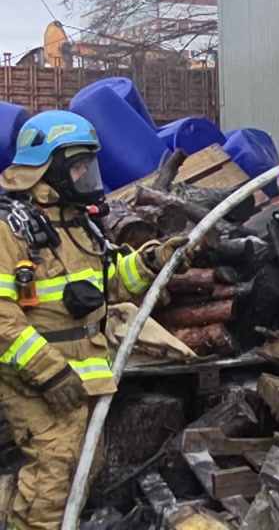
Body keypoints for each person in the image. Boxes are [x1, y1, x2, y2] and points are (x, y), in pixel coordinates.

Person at [0, 110, 186, 530]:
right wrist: (48, 372)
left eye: (89, 164)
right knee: (52, 478)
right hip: (37, 380)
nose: (87, 174)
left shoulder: (81, 225)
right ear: (48, 168)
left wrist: (153, 261)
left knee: (82, 470)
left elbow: (109, 284)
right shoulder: (9, 230)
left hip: (84, 375)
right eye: (78, 165)